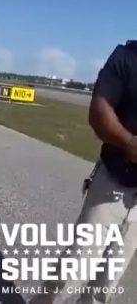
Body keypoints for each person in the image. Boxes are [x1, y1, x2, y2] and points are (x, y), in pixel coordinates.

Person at [32, 41, 137, 303]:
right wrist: (130, 143)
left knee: (106, 284)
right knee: (73, 270)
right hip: (112, 183)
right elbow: (99, 112)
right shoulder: (126, 57)